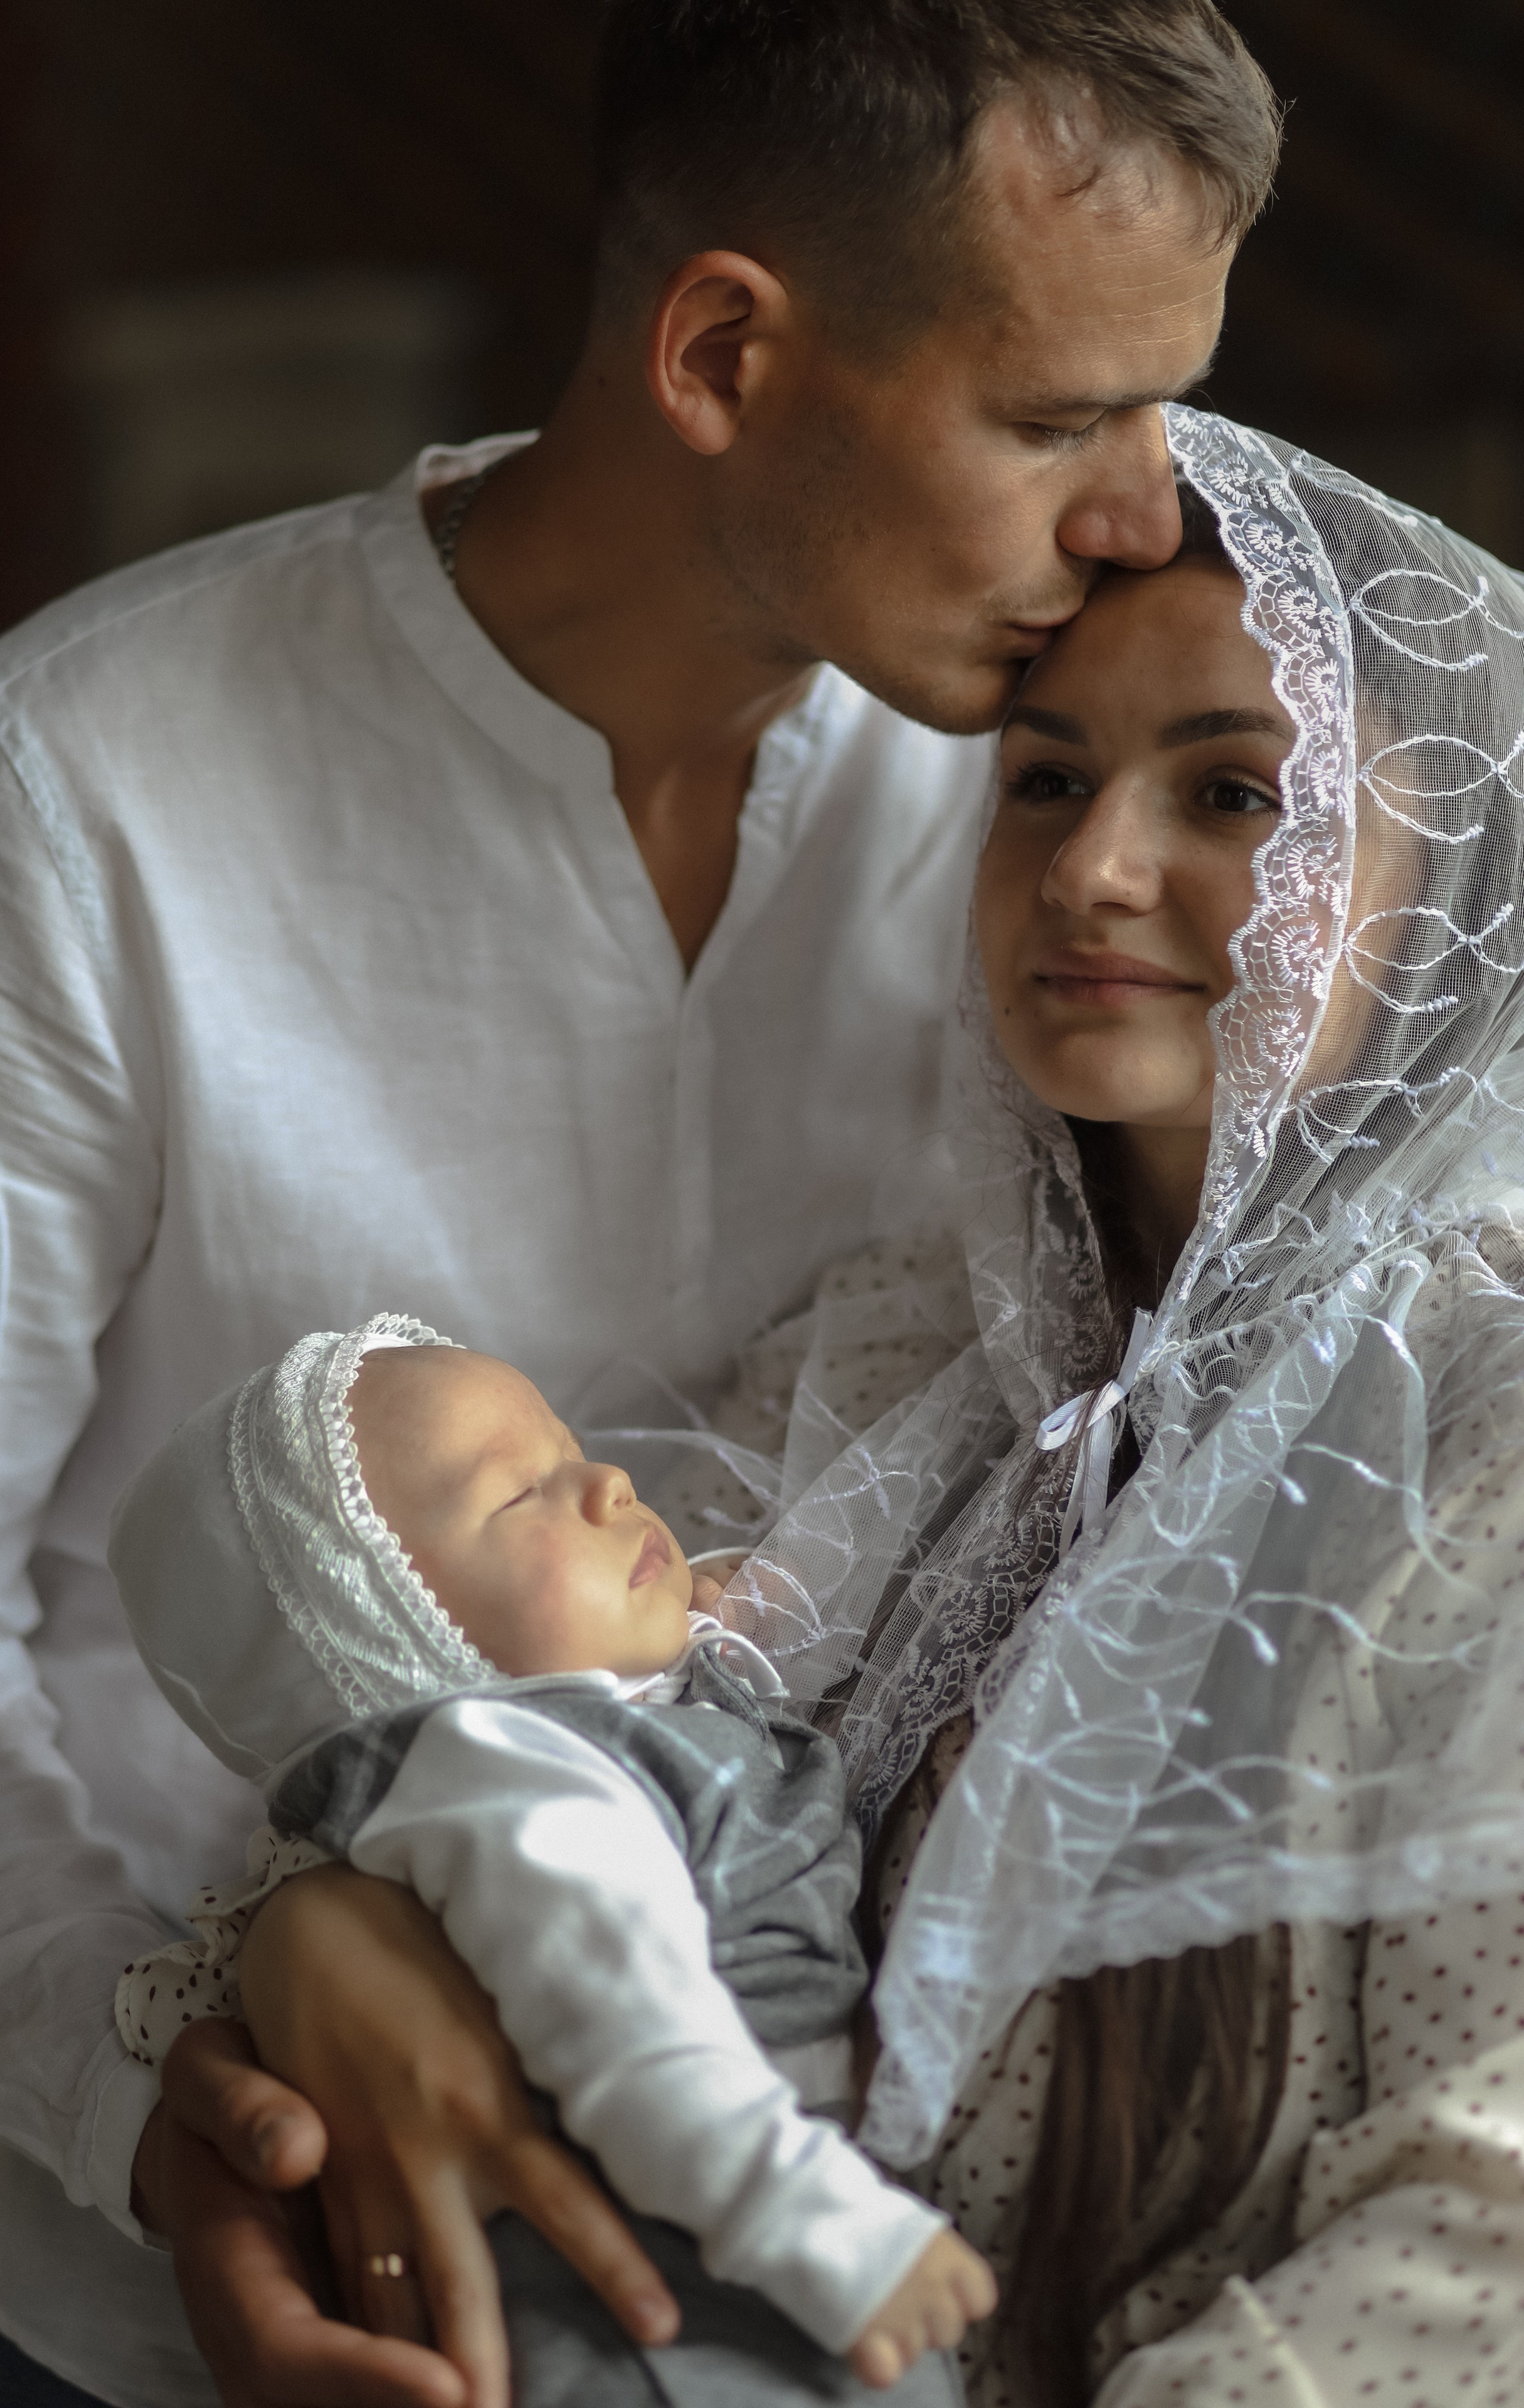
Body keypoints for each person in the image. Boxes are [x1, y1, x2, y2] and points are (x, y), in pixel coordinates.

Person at [0, 4, 1279, 2404]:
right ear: (726, 352)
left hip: (848, 2276)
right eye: (1061, 418)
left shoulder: (1078, 822)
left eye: (1161, 414)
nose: (1148, 515)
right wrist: (180, 2089)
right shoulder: (70, 792)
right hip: (153, 2306)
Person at [634, 421, 1524, 2402]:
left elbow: (1490, 2244)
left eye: (1232, 793)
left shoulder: (1492, 1414)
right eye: (1048, 780)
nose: (1097, 868)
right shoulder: (899, 1368)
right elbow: (530, 1740)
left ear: (1454, 874)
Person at [105, 1319, 993, 2402]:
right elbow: (642, 2043)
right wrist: (848, 2241)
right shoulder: (524, 1783)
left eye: (570, 1449)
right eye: (521, 1494)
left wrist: (684, 1619)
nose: (609, 1483)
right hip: (683, 2274)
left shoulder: (539, 1756)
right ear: (384, 1634)